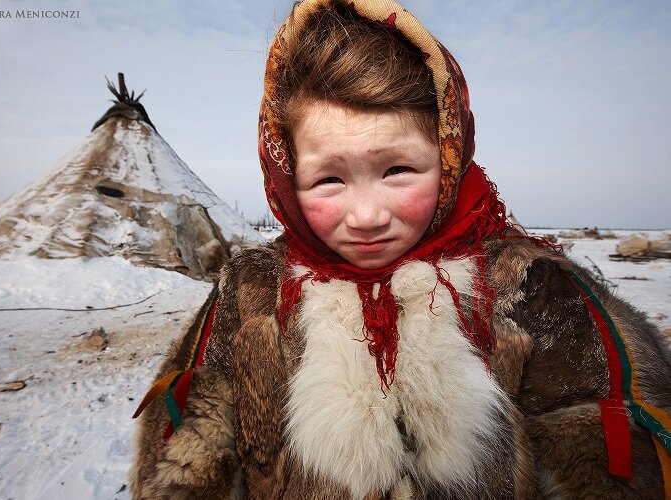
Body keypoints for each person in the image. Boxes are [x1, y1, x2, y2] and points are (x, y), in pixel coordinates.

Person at [130, 0, 671, 498]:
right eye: (328, 181)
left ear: (450, 155)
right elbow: (182, 468)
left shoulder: (533, 288)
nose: (367, 217)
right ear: (285, 177)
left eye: (398, 170)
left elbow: (613, 466)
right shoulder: (251, 294)